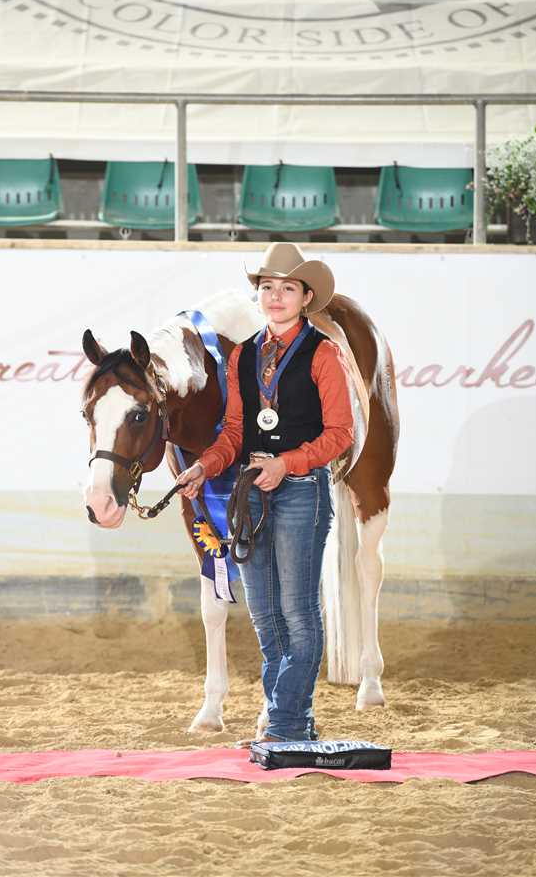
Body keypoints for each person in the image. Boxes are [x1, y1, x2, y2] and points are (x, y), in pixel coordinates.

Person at [176, 242, 354, 743]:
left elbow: (340, 434)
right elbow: (235, 431)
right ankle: (289, 719)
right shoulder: (244, 356)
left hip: (301, 490)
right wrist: (205, 466)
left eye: (287, 288)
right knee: (265, 614)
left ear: (306, 296)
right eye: (267, 287)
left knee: (297, 612)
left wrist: (286, 464)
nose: (276, 297)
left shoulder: (324, 353)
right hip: (251, 491)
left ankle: (286, 723)